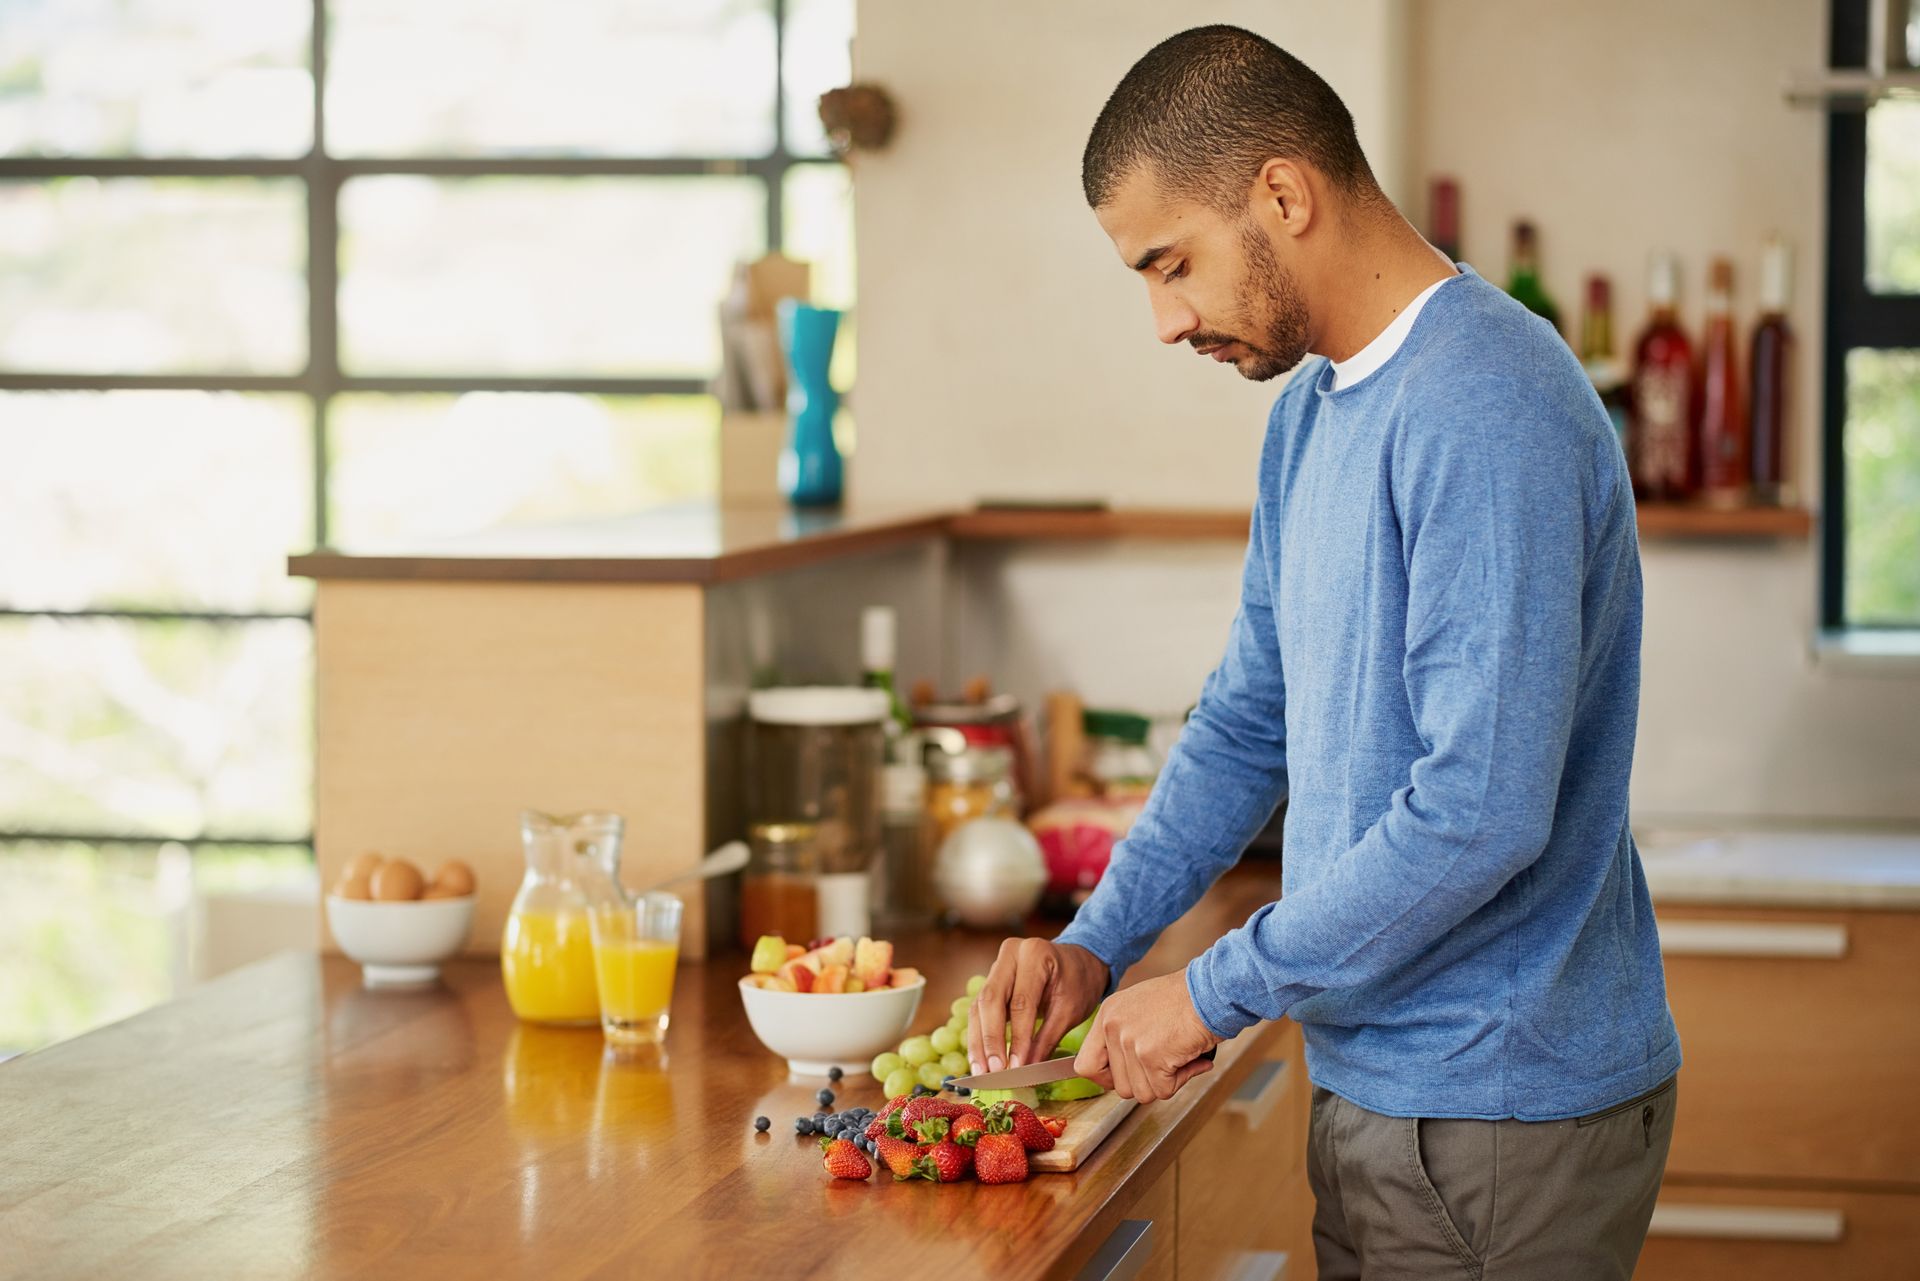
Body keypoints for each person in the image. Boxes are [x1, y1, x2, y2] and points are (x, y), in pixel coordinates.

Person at [966, 25, 1680, 1280]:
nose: (1165, 319)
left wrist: (1212, 988)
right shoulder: (1314, 412)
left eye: (1171, 264)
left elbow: (1478, 813)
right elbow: (1250, 719)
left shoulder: (1484, 402)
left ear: (1283, 195)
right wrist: (1099, 941)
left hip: (1494, 1106)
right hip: (1385, 1083)